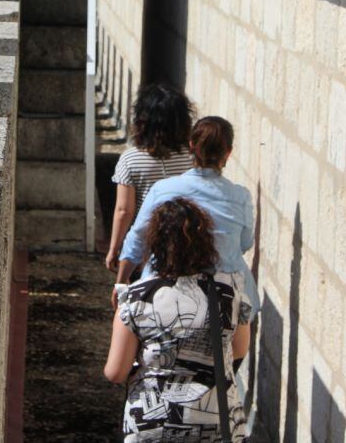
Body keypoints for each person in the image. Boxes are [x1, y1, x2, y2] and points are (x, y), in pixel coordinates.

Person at [104, 197, 251, 442]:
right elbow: (239, 349)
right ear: (206, 244)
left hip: (153, 426)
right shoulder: (230, 293)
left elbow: (116, 372)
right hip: (216, 422)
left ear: (154, 244)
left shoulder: (134, 298)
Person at [114, 116, 260, 316]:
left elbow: (138, 238)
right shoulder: (241, 196)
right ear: (228, 152)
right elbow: (244, 244)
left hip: (164, 291)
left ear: (192, 145)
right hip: (224, 297)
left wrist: (121, 282)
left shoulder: (163, 189)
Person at [106, 83, 196, 272]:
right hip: (185, 245)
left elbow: (124, 210)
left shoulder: (130, 159)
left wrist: (114, 249)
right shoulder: (193, 157)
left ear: (142, 121)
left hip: (145, 248)